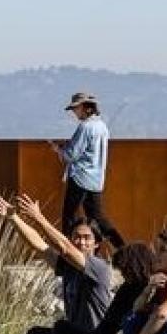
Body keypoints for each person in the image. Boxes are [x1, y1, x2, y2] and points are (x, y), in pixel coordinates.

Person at [0, 193, 112, 334]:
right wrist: (13, 218)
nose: (81, 242)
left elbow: (65, 247)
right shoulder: (68, 266)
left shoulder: (99, 267)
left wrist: (39, 217)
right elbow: (39, 246)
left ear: (96, 244)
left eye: (87, 238)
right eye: (77, 237)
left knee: (62, 328)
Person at [50, 92, 125, 249]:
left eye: (75, 108)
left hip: (80, 177)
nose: (74, 112)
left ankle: (68, 252)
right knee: (97, 218)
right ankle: (122, 248)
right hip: (96, 179)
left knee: (70, 217)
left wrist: (58, 149)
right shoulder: (102, 126)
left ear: (84, 108)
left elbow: (71, 155)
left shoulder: (85, 127)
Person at [72, 242, 156, 334]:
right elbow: (108, 324)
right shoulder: (127, 289)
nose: (123, 275)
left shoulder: (155, 285)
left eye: (125, 270)